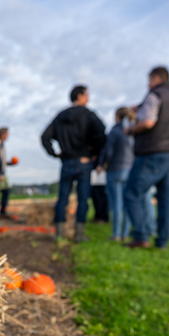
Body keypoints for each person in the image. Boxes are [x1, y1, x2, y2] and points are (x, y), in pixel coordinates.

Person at [123, 66, 169, 249]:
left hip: (154, 152)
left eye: (149, 80)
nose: (147, 84)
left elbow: (148, 122)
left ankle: (141, 236)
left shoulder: (154, 95)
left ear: (155, 78)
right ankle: (162, 242)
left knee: (131, 192)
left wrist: (130, 129)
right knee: (166, 200)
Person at [41, 85, 107, 242]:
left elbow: (45, 137)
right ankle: (79, 234)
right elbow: (102, 132)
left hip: (66, 162)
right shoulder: (88, 114)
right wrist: (93, 152)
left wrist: (55, 153)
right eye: (86, 95)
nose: (88, 99)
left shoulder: (60, 116)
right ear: (80, 96)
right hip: (84, 161)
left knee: (62, 198)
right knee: (82, 199)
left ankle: (59, 233)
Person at [97, 107, 135, 240]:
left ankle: (116, 234)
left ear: (117, 117)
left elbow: (108, 151)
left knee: (116, 204)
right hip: (129, 170)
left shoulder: (114, 132)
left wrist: (101, 164)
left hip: (115, 170)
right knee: (127, 204)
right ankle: (125, 234)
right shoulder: (132, 132)